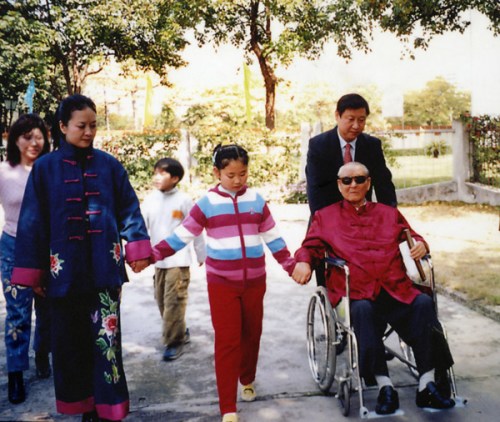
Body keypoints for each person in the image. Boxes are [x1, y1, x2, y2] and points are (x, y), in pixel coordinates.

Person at [11, 94, 151, 422]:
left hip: (105, 272)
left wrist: (137, 247)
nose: (88, 132)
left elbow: (128, 207)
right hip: (63, 276)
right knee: (70, 346)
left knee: (106, 341)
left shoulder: (109, 165)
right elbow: (32, 221)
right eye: (81, 126)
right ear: (62, 127)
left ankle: (107, 410)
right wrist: (35, 274)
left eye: (93, 126)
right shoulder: (45, 168)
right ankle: (84, 407)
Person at [150, 144, 305, 422]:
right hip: (222, 283)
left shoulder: (257, 200)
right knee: (227, 341)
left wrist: (289, 264)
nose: (237, 180)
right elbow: (182, 234)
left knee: (252, 333)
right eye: (230, 174)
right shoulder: (206, 203)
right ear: (216, 172)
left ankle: (247, 378)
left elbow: (273, 237)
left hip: (256, 281)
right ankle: (227, 407)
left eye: (243, 174)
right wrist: (154, 253)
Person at [293, 162, 455, 415]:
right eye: (346, 181)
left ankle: (427, 384)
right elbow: (310, 247)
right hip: (355, 291)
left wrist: (422, 244)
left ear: (369, 183)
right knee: (364, 311)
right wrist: (303, 262)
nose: (353, 185)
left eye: (359, 179)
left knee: (423, 303)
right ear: (339, 185)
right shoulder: (325, 216)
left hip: (394, 287)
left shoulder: (388, 213)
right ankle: (384, 386)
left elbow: (413, 236)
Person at [305, 93, 397, 286]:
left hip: (365, 220)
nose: (356, 126)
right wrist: (328, 224)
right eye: (351, 119)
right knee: (330, 275)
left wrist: (390, 218)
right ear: (337, 116)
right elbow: (316, 189)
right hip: (329, 219)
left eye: (361, 120)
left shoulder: (372, 145)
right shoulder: (319, 145)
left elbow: (384, 185)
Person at [0, 114, 51, 404]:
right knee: (18, 312)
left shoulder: (50, 169)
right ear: (14, 140)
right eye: (26, 136)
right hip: (14, 247)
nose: (34, 142)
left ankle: (42, 352)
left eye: (39, 136)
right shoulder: (4, 171)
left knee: (48, 309)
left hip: (48, 248)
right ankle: (16, 373)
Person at [141, 157, 206, 361]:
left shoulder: (184, 200)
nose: (157, 177)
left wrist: (200, 252)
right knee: (161, 300)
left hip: (179, 261)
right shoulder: (150, 199)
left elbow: (195, 228)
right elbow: (141, 228)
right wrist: (140, 254)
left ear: (175, 178)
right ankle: (180, 330)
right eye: (156, 172)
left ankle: (174, 342)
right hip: (158, 261)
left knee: (173, 302)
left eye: (163, 173)